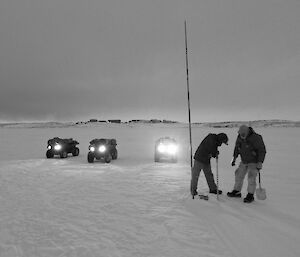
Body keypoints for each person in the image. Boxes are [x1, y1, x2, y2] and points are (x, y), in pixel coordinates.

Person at [227, 125, 266, 203]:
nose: (242, 136)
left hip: (254, 162)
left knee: (251, 178)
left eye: (243, 134)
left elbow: (262, 150)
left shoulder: (256, 138)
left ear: (247, 132)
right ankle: (237, 191)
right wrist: (234, 158)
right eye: (241, 134)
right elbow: (237, 148)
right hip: (244, 161)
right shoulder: (239, 137)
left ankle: (250, 195)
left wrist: (260, 162)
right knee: (238, 175)